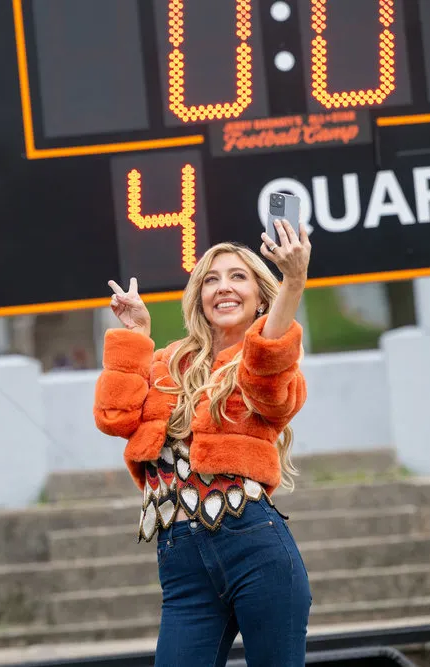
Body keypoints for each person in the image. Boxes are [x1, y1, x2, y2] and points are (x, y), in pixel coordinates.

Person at [93, 221, 312, 666]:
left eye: (237, 277)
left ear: (261, 298)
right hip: (181, 561)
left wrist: (293, 282)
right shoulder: (167, 363)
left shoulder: (271, 366)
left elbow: (266, 369)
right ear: (198, 298)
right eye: (210, 279)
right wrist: (135, 334)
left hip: (253, 545)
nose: (223, 287)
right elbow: (114, 418)